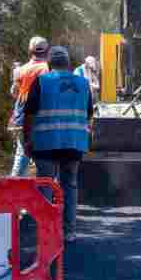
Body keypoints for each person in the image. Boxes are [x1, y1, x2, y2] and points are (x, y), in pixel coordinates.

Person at [23, 46, 94, 242]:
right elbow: (89, 114)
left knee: (46, 185)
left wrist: (27, 140)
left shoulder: (42, 82)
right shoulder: (83, 83)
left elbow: (29, 114)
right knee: (69, 185)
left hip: (46, 143)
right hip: (74, 143)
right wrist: (86, 137)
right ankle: (69, 231)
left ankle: (46, 231)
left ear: (49, 63)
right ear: (68, 63)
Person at [8, 37, 50, 177]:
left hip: (20, 118)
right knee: (43, 161)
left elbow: (14, 93)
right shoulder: (46, 69)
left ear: (30, 50)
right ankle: (43, 188)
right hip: (39, 119)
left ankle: (13, 184)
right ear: (47, 51)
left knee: (22, 154)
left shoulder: (20, 70)